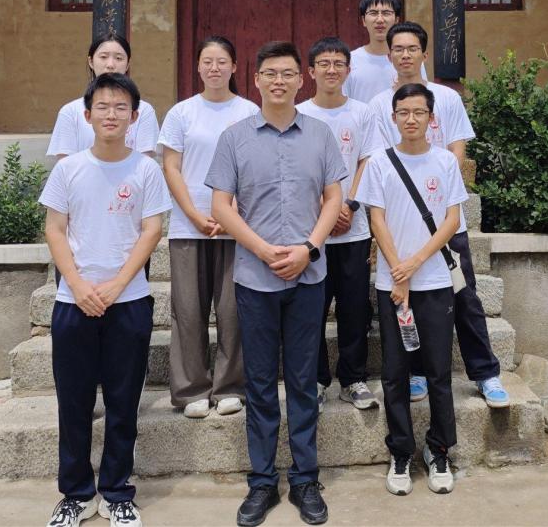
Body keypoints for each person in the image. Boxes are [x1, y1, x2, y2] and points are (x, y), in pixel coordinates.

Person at [206, 41, 347, 527]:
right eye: (270, 73)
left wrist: (309, 247)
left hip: (308, 277)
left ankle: (305, 480)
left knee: (304, 381)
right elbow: (221, 207)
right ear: (256, 79)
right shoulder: (234, 138)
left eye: (288, 73)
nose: (279, 81)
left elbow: (334, 198)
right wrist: (264, 250)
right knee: (261, 383)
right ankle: (262, 482)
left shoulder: (321, 135)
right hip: (254, 278)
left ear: (300, 80)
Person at [41, 72, 170, 527]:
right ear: (87, 115)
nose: (111, 114)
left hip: (129, 302)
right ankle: (76, 494)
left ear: (134, 117)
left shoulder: (146, 170)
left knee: (123, 401)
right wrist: (77, 285)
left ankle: (116, 492)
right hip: (72, 302)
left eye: (120, 108)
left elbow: (151, 230)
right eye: (103, 106)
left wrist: (117, 285)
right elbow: (55, 229)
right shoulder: (68, 169)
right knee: (73, 403)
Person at [367, 22, 510, 411]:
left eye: (412, 48)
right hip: (401, 228)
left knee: (464, 297)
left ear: (424, 54)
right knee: (409, 299)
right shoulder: (380, 105)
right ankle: (416, 371)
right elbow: (380, 161)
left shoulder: (446, 98)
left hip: (446, 226)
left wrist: (442, 202)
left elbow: (456, 152)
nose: (405, 55)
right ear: (389, 55)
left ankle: (485, 373)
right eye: (398, 49)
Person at [359, 83, 466, 496]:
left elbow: (451, 221)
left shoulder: (445, 161)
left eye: (419, 112)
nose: (411, 119)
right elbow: (377, 220)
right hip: (393, 287)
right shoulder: (380, 164)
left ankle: (438, 449)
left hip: (434, 282)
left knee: (438, 372)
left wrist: (414, 264)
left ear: (431, 119)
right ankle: (400, 451)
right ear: (393, 117)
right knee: (395, 373)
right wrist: (398, 273)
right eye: (403, 112)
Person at [158, 36, 257, 420]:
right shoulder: (182, 113)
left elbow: (254, 167)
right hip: (189, 226)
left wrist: (230, 212)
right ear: (197, 67)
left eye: (222, 61)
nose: (214, 68)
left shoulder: (249, 111)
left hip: (237, 225)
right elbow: (171, 167)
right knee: (188, 310)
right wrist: (195, 214)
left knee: (233, 310)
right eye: (207, 61)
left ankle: (230, 386)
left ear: (235, 67)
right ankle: (191, 390)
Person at [296, 37, 383, 413]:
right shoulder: (299, 113)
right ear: (310, 71)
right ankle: (315, 380)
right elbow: (296, 166)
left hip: (354, 228)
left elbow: (368, 160)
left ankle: (353, 379)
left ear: (348, 70)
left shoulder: (363, 113)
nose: (331, 70)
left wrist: (348, 204)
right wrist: (326, 208)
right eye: (324, 64)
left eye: (338, 64)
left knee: (353, 308)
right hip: (311, 230)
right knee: (311, 308)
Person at [48, 34, 159, 160]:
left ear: (128, 64)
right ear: (91, 61)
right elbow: (65, 166)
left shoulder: (144, 111)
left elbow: (143, 163)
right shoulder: (70, 112)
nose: (110, 65)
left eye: (118, 58)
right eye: (103, 57)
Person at [342, 0, 427, 104]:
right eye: (373, 13)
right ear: (363, 20)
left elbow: (422, 98)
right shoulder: (350, 60)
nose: (380, 20)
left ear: (396, 19)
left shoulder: (411, 58)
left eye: (386, 13)